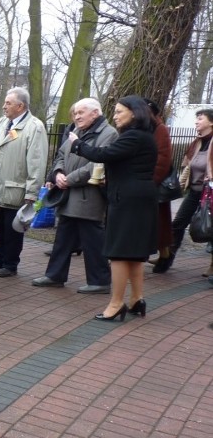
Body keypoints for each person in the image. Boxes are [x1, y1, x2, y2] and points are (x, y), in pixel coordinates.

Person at [66, 95, 158, 321]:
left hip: (128, 200)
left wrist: (77, 144)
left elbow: (104, 154)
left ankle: (116, 304)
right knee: (135, 254)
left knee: (118, 253)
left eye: (119, 112)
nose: (115, 116)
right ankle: (137, 299)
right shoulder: (144, 136)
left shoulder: (134, 136)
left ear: (134, 113)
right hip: (139, 198)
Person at [32, 98, 117, 293]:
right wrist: (58, 173)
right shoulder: (77, 131)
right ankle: (54, 275)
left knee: (93, 239)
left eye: (81, 112)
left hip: (89, 195)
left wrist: (69, 179)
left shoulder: (109, 134)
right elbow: (61, 155)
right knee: (63, 237)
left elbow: (98, 163)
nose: (76, 116)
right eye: (75, 113)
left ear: (95, 113)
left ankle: (100, 281)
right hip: (69, 193)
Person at [0, 87, 49, 277]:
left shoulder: (34, 127)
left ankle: (10, 263)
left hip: (16, 189)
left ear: (20, 106)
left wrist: (32, 192)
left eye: (8, 103)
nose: (4, 106)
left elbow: (36, 162)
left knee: (12, 229)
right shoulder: (2, 123)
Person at [162, 108, 213, 275]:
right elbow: (188, 168)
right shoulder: (197, 142)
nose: (197, 121)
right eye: (196, 118)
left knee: (210, 227)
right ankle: (166, 258)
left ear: (211, 122)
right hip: (194, 191)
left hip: (210, 192)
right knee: (178, 224)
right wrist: (178, 187)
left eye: (200, 118)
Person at [145, 99, 175, 273]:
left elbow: (163, 160)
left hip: (155, 186)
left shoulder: (160, 129)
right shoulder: (146, 128)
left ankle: (165, 255)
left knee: (160, 224)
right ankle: (163, 254)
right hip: (147, 184)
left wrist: (151, 182)